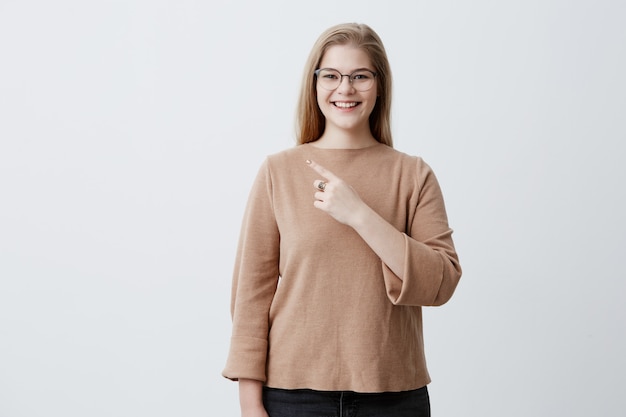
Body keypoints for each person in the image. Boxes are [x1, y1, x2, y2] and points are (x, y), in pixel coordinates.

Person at [222, 22, 462, 417]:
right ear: (314, 84)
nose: (345, 88)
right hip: (291, 396)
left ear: (379, 85)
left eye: (360, 76)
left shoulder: (413, 175)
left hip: (394, 397)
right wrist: (250, 404)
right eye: (331, 75)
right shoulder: (278, 172)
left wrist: (360, 216)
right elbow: (251, 297)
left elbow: (442, 281)